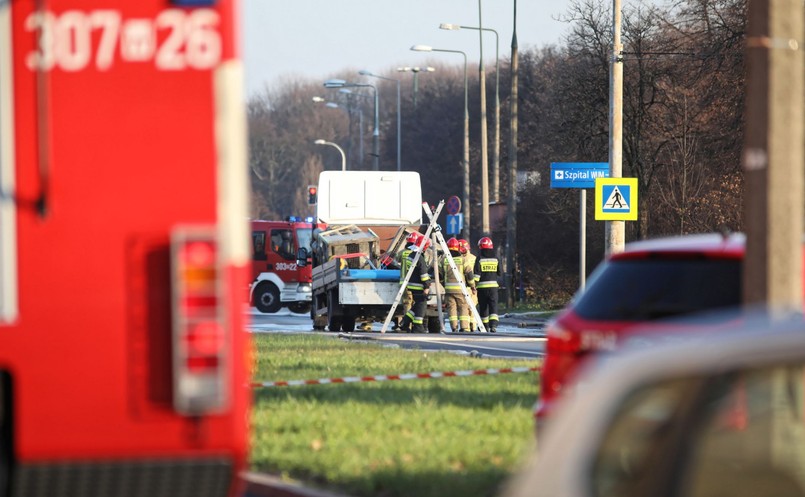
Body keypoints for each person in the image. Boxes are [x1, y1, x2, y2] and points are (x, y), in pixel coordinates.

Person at [398, 231, 431, 333]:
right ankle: (418, 326)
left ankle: (405, 321)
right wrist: (426, 286)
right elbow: (423, 274)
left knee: (417, 304)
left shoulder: (411, 255)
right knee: (421, 305)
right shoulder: (419, 258)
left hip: (411, 285)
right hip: (419, 286)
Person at [441, 237, 474, 332]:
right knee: (463, 307)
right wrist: (472, 286)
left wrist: (444, 284)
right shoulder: (463, 259)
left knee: (452, 308)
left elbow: (439, 274)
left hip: (448, 290)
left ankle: (454, 327)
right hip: (460, 289)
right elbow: (469, 274)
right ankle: (464, 327)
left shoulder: (444, 259)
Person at [473, 237, 500, 333]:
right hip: (493, 288)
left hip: (482, 288)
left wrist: (473, 286)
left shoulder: (479, 258)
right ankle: (493, 326)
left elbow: (476, 275)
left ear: (480, 247)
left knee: (483, 307)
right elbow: (500, 272)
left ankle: (484, 326)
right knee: (493, 306)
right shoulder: (496, 258)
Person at [460, 239, 478, 332]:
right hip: (473, 287)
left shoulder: (461, 259)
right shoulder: (474, 258)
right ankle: (473, 327)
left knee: (465, 307)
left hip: (465, 287)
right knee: (472, 307)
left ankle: (466, 327)